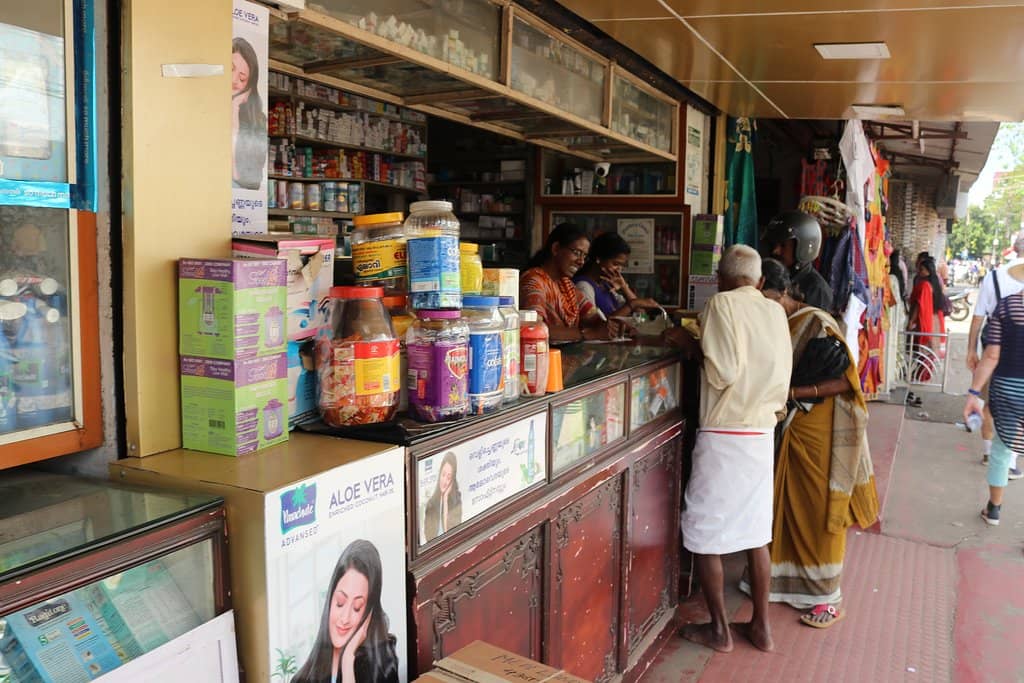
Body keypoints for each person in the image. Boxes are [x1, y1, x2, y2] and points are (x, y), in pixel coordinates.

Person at [662, 245, 792, 653]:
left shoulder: (720, 304)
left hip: (725, 434)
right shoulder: (775, 310)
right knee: (756, 534)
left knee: (703, 534)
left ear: (721, 276)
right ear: (760, 279)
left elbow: (722, 372)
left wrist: (688, 343)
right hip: (760, 434)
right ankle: (761, 628)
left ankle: (719, 630)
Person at [747, 259, 879, 628]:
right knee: (784, 505)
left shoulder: (817, 323)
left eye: (766, 298)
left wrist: (792, 392)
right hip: (793, 427)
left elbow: (844, 382)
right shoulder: (780, 322)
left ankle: (827, 597)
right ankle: (779, 581)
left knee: (820, 510)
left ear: (780, 291)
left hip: (821, 431)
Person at [963, 258, 1024, 526]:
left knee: (1002, 447)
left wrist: (973, 393)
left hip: (1007, 386)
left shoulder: (1007, 306)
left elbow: (991, 356)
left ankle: (994, 509)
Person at [294, 540, 399, 683]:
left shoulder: (382, 665)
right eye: (340, 603)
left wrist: (348, 661)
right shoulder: (303, 679)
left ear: (369, 613)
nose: (345, 618)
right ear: (330, 599)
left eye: (357, 607)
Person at [520, 223, 618, 343]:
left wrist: (613, 327)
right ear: (556, 248)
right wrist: (588, 334)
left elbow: (592, 317)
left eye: (584, 256)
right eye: (577, 253)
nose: (581, 261)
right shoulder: (534, 281)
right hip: (543, 357)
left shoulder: (566, 284)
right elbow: (535, 329)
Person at [572, 232, 659, 318]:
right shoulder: (583, 286)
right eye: (616, 264)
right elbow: (598, 326)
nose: (619, 269)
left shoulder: (605, 285)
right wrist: (633, 303)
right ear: (599, 259)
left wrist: (624, 287)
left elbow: (641, 315)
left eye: (622, 265)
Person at [761, 210, 833, 311]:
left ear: (803, 248)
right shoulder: (768, 276)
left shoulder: (817, 290)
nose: (775, 251)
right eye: (773, 244)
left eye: (783, 245)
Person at [232, 37, 267, 190]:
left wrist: (234, 112)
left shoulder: (256, 121)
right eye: (230, 68)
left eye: (242, 78)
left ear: (249, 87)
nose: (233, 80)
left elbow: (246, 178)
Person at [907, 256, 946, 382]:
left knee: (923, 348)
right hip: (934, 319)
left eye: (922, 269)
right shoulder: (935, 284)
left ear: (928, 271)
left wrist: (912, 321)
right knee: (930, 349)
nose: (920, 272)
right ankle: (922, 374)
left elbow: (920, 305)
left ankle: (919, 374)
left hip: (925, 318)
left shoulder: (924, 285)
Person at [422, 451, 462, 541]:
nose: (444, 481)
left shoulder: (457, 502)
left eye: (449, 477)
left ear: (452, 480)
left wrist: (445, 500)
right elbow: (428, 537)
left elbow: (452, 536)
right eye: (443, 475)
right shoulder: (431, 504)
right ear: (439, 474)